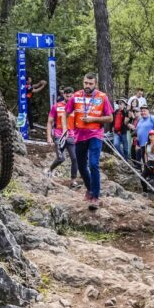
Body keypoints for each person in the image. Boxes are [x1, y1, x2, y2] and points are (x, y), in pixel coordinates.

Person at [63, 73, 114, 211]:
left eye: (90, 84)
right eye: (85, 83)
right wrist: (65, 129)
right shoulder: (76, 96)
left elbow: (110, 118)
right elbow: (66, 113)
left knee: (93, 164)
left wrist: (93, 119)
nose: (87, 86)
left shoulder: (102, 97)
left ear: (95, 84)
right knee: (81, 165)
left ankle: (95, 197)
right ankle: (90, 188)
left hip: (95, 134)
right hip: (79, 135)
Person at [47, 87, 79, 187]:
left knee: (75, 158)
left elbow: (79, 123)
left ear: (73, 95)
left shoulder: (76, 108)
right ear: (63, 95)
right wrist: (49, 136)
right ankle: (50, 169)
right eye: (67, 95)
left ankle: (73, 180)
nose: (69, 97)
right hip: (59, 136)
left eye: (70, 96)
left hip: (71, 136)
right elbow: (49, 122)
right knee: (61, 158)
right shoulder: (56, 106)